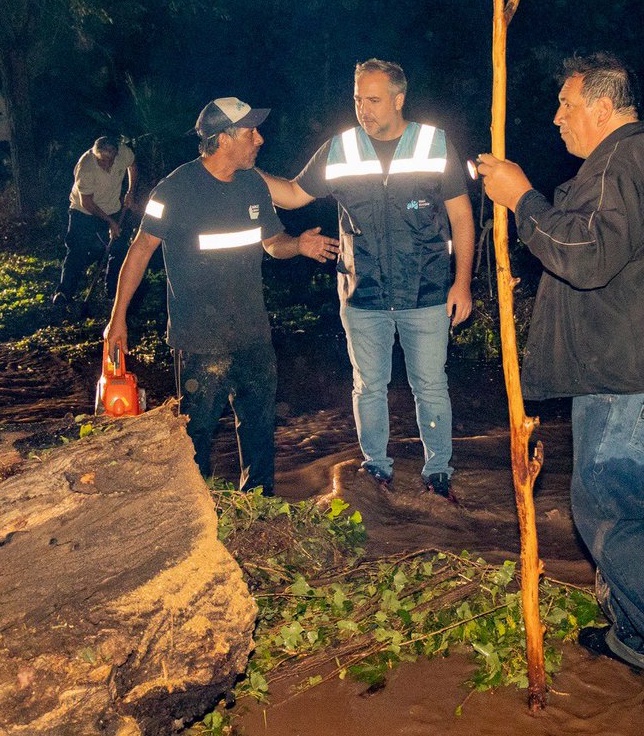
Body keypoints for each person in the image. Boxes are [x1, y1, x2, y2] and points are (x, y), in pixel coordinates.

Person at [477, 52, 644, 670]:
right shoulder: (626, 163)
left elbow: (587, 254)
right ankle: (632, 635)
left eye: (566, 104)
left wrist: (522, 199)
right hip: (626, 368)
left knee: (611, 510)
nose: (555, 118)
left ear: (603, 108)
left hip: (621, 378)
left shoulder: (620, 161)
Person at [259, 59, 475, 498]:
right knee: (368, 385)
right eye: (358, 99)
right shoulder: (340, 148)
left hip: (427, 291)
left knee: (430, 384)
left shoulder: (433, 143)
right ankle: (376, 468)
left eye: (373, 100)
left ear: (399, 99)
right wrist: (244, 169)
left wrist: (463, 283)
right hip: (363, 293)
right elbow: (294, 194)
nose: (364, 109)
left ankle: (438, 472)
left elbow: (462, 216)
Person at [104, 97, 339, 494]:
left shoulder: (253, 184)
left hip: (252, 333)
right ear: (224, 139)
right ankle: (196, 509)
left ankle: (260, 505)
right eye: (251, 132)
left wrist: (296, 245)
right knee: (196, 435)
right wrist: (117, 317)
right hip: (200, 340)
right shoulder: (174, 190)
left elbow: (272, 242)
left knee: (260, 429)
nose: (260, 139)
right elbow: (141, 249)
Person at [53, 136, 138, 313]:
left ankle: (113, 292)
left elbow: (133, 165)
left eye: (110, 160)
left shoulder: (123, 152)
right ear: (95, 155)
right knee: (77, 250)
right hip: (83, 213)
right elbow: (87, 203)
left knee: (118, 249)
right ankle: (64, 293)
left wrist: (130, 191)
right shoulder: (86, 167)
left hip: (113, 207)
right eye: (103, 161)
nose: (107, 164)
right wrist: (110, 222)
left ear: (116, 153)